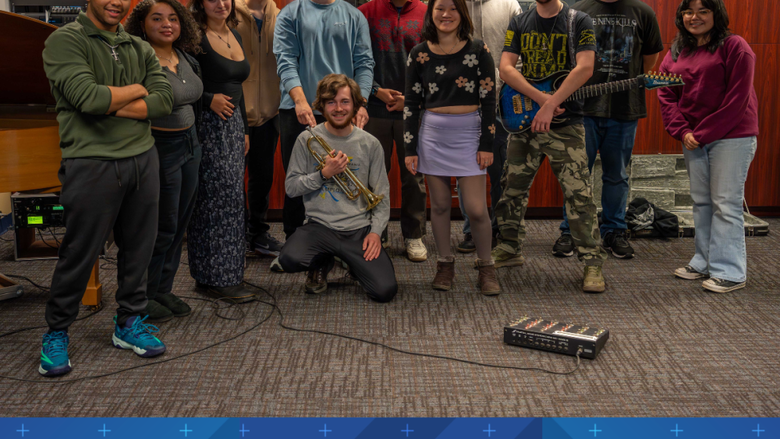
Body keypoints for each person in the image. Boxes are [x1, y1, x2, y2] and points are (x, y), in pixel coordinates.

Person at [40, 0, 173, 376]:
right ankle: (56, 332)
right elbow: (87, 98)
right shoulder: (65, 41)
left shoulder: (139, 46)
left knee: (139, 249)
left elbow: (164, 101)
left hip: (143, 159)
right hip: (91, 162)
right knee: (80, 252)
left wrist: (110, 101)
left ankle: (129, 322)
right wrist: (135, 89)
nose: (116, 2)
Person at [491, 0, 609, 293]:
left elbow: (585, 67)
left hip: (566, 124)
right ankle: (509, 248)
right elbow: (506, 68)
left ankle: (592, 262)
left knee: (579, 195)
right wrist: (542, 100)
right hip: (526, 120)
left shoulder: (579, 20)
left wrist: (552, 104)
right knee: (511, 187)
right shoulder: (520, 21)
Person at [658, 0, 758, 294]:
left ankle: (730, 271)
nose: (695, 17)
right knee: (702, 202)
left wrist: (702, 133)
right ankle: (704, 261)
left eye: (703, 11)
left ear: (717, 15)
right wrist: (684, 130)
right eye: (688, 12)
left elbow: (737, 99)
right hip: (694, 138)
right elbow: (666, 94)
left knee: (725, 203)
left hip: (732, 136)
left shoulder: (735, 46)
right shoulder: (678, 51)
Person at [552, 0, 663, 259]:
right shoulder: (577, 10)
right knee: (576, 174)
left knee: (617, 175)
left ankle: (614, 231)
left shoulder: (643, 12)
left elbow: (649, 58)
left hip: (625, 108)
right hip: (581, 108)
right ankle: (571, 230)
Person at [404, 0, 500, 295]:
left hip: (469, 135)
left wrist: (487, 143)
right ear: (431, 14)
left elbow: (488, 100)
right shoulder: (418, 54)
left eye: (453, 8)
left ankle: (486, 266)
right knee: (441, 205)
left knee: (475, 209)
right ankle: (445, 264)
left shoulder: (478, 50)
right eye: (439, 8)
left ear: (463, 13)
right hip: (432, 137)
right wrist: (411, 148)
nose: (446, 14)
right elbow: (411, 104)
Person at [272, 0, 375, 272]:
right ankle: (296, 242)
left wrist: (360, 103)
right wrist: (300, 100)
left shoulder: (353, 16)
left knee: (346, 179)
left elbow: (364, 63)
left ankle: (345, 244)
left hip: (342, 110)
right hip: (300, 108)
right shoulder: (290, 13)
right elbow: (285, 60)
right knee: (300, 179)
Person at [278, 74, 397, 303]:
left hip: (358, 230)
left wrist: (376, 232)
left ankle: (350, 260)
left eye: (345, 101)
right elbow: (291, 188)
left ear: (355, 105)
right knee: (289, 260)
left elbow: (382, 195)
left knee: (385, 291)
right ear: (321, 106)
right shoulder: (306, 139)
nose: (338, 108)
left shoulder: (369, 144)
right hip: (319, 226)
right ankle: (325, 259)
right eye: (331, 102)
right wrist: (323, 174)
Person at [125, 0, 203, 323]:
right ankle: (143, 296)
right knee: (162, 227)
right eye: (157, 19)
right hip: (161, 147)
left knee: (180, 223)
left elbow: (190, 95)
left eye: (172, 18)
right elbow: (155, 101)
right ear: (143, 25)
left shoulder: (184, 57)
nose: (166, 24)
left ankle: (164, 288)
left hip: (190, 143)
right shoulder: (139, 60)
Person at [187, 0, 253, 301]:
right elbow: (178, 82)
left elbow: (237, 86)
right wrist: (208, 99)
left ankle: (217, 274)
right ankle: (219, 278)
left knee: (229, 198)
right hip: (207, 125)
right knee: (215, 201)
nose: (221, 3)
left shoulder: (235, 34)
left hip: (233, 125)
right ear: (200, 3)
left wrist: (245, 129)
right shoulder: (193, 38)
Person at [358, 0, 429, 262]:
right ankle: (377, 233)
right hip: (373, 107)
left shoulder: (426, 13)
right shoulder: (365, 12)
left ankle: (414, 235)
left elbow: (431, 63)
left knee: (413, 176)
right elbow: (356, 57)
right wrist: (375, 90)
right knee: (373, 176)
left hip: (412, 110)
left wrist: (410, 99)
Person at [455, 0, 522, 253]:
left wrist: (507, 92)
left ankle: (498, 228)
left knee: (499, 169)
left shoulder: (509, 5)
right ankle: (471, 230)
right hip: (463, 104)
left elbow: (521, 53)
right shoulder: (454, 5)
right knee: (466, 171)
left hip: (502, 102)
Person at [235, 0, 284, 257]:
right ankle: (235, 234)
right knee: (232, 181)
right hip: (234, 113)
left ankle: (258, 233)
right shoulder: (228, 11)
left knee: (262, 178)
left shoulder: (279, 16)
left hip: (270, 111)